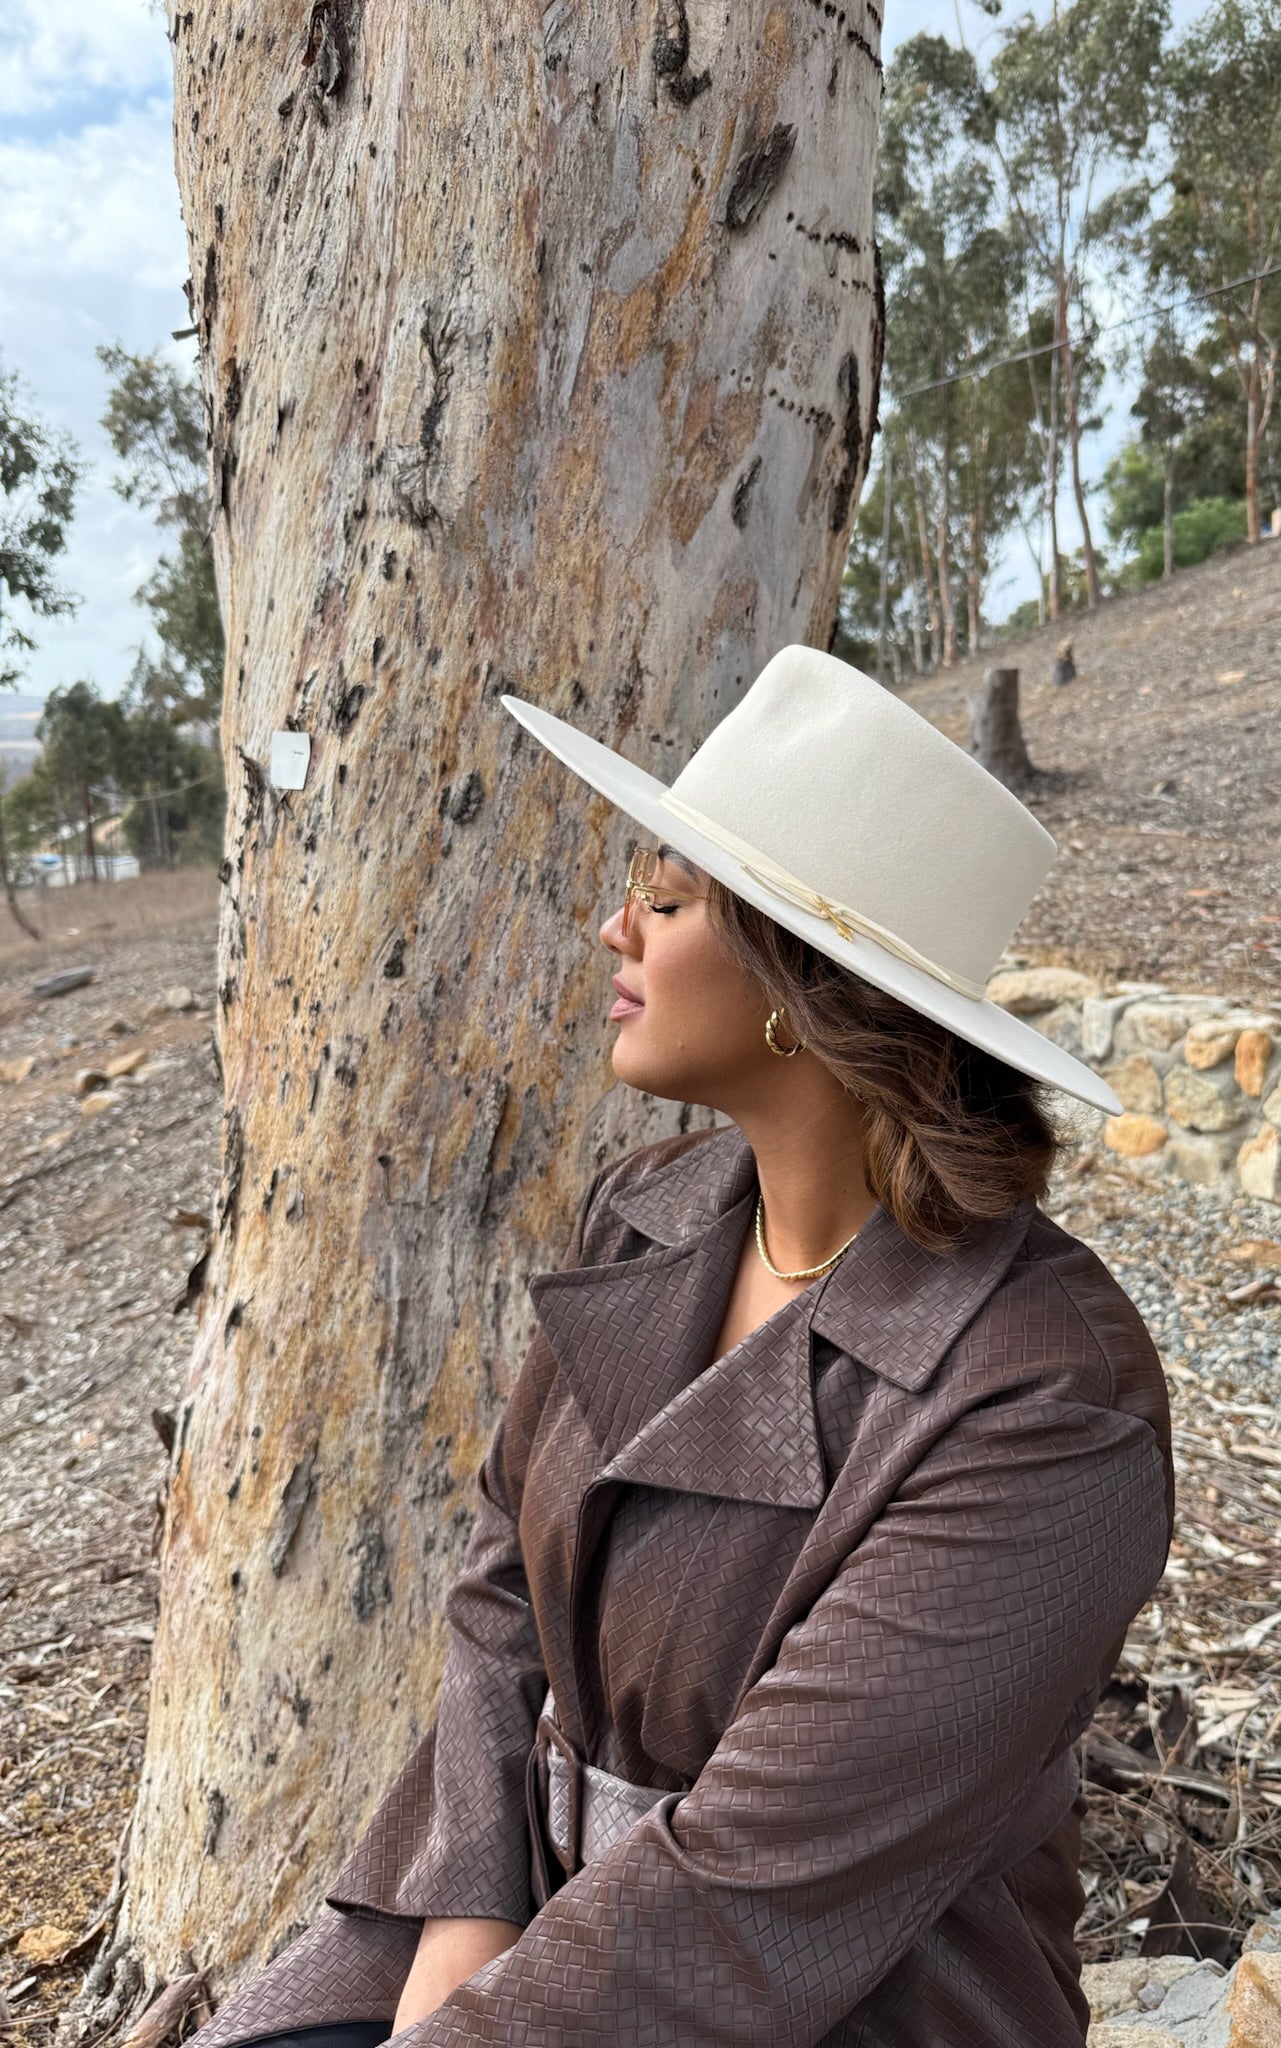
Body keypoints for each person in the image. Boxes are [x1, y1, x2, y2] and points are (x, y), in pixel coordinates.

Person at [190, 645, 1172, 2048]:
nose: (614, 930)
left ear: (799, 979)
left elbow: (757, 1894)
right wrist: (461, 1931)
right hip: (524, 1918)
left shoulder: (1045, 1400)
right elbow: (501, 1592)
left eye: (662, 898)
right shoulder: (651, 1210)